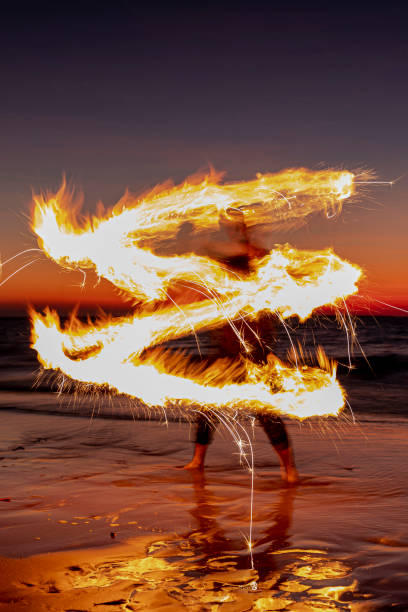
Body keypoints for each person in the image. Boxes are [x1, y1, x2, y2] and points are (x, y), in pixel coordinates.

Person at [182, 208, 298, 484]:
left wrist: (244, 229)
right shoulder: (226, 297)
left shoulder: (259, 291)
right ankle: (198, 460)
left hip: (255, 358)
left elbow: (259, 256)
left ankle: (289, 468)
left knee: (266, 414)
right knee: (207, 408)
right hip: (224, 356)